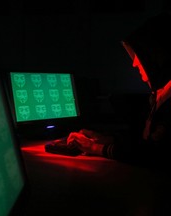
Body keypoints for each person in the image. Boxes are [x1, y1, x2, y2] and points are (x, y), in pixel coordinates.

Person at [67, 11, 171, 168]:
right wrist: (107, 139)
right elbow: (143, 140)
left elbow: (152, 154)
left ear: (157, 56)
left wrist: (95, 148)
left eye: (141, 55)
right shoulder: (160, 94)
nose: (135, 63)